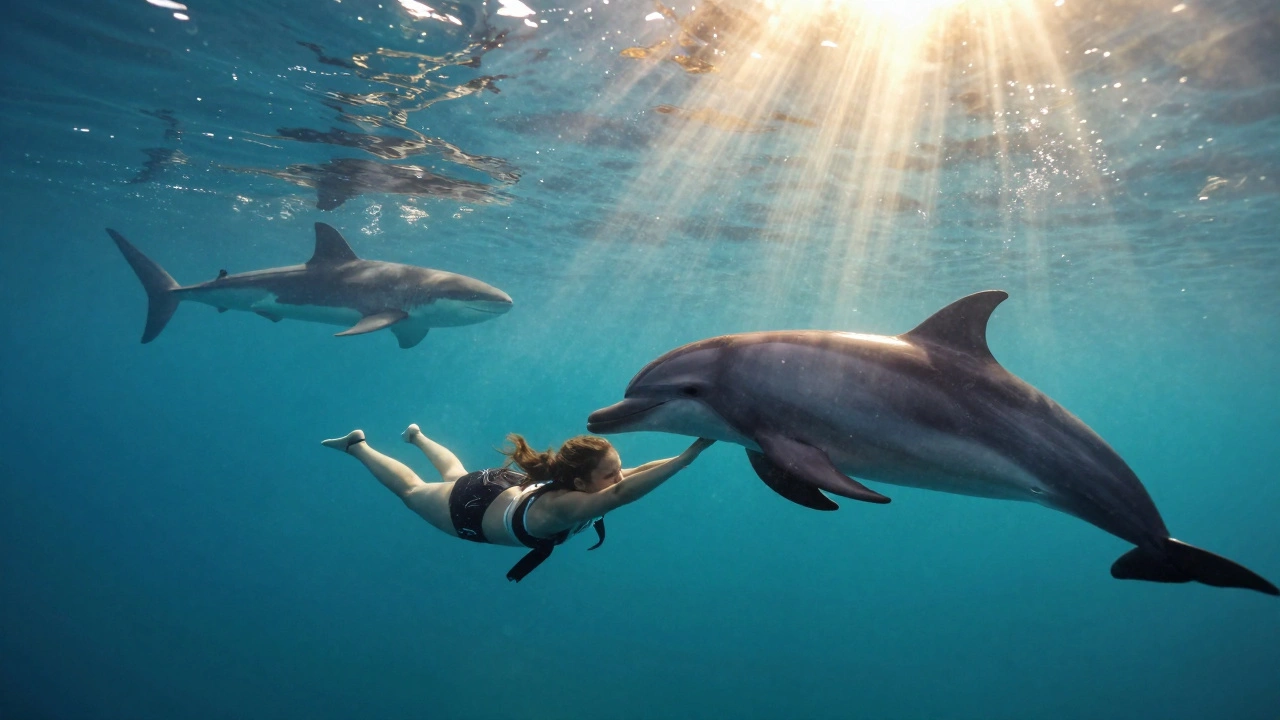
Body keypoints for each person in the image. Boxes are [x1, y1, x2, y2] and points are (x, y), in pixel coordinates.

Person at [322, 424, 714, 581]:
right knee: (411, 491)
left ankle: (417, 437)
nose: (620, 475)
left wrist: (695, 445)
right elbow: (622, 494)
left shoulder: (588, 485)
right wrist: (685, 461)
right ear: (580, 482)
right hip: (471, 509)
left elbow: (636, 473)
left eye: (618, 469)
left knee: (455, 476)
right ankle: (358, 446)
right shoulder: (568, 505)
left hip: (500, 489)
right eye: (611, 473)